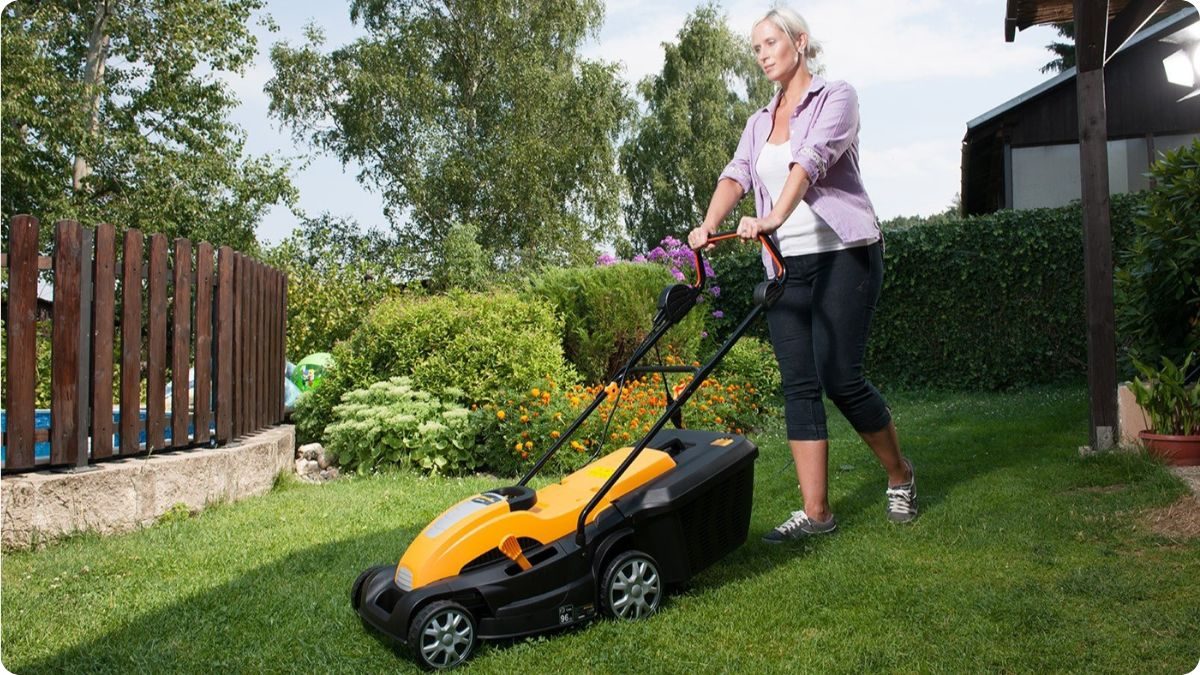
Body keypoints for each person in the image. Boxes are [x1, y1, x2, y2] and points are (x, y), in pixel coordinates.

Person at [688, 6, 916, 542]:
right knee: (799, 384)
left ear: (800, 42)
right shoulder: (757, 123)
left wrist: (771, 217)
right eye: (756, 48)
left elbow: (810, 162)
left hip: (845, 254)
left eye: (770, 42)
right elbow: (736, 174)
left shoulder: (838, 97)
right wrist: (707, 224)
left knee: (841, 375)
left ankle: (900, 474)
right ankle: (816, 514)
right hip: (786, 264)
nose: (762, 54)